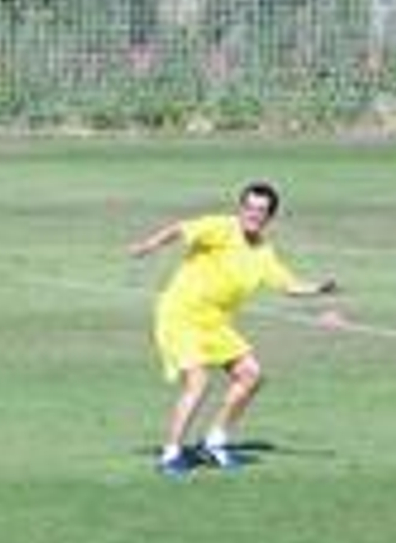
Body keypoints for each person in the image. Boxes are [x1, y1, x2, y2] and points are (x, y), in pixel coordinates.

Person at [127, 182, 338, 477]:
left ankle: (214, 443)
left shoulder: (263, 251)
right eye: (248, 207)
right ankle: (170, 454)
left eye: (261, 210)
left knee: (251, 375)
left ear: (269, 217)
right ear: (240, 208)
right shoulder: (221, 227)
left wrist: (318, 289)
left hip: (216, 323)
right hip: (181, 315)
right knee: (199, 383)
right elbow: (181, 229)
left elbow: (288, 285)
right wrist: (149, 245)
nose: (253, 214)